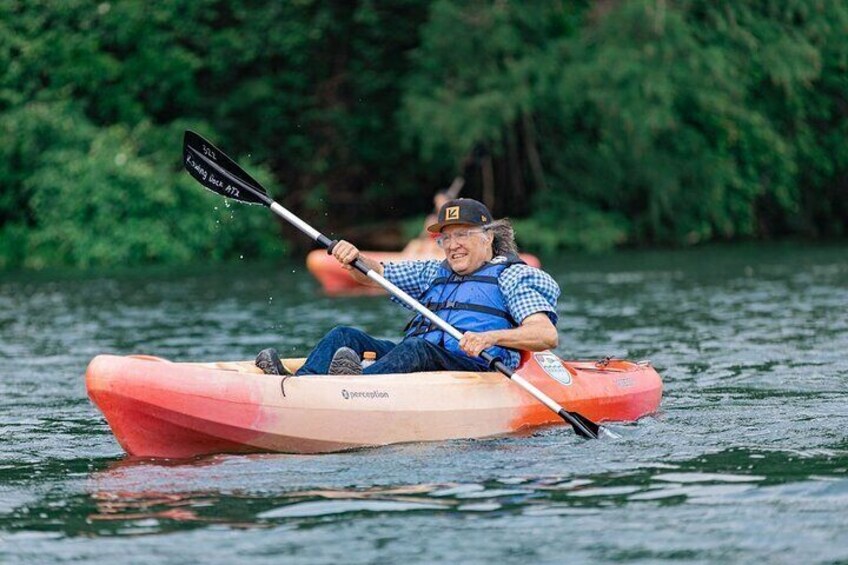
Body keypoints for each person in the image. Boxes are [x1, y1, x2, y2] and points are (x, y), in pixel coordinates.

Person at [256, 198, 560, 376]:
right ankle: (300, 388)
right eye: (446, 238)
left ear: (488, 238)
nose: (452, 246)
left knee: (418, 347)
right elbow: (376, 274)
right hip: (423, 360)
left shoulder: (513, 277)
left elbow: (545, 335)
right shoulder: (432, 271)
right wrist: (355, 259)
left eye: (462, 235)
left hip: (475, 368)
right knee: (344, 335)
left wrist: (489, 337)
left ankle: (352, 387)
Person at [401, 190, 452, 257]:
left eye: (441, 201)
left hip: (443, 244)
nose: (438, 204)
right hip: (430, 243)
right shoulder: (432, 218)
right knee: (414, 244)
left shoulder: (451, 218)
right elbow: (423, 236)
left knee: (430, 247)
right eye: (437, 201)